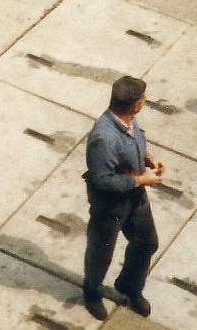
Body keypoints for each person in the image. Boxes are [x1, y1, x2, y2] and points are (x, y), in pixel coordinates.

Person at [82, 75, 164, 321]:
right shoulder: (103, 137)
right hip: (110, 205)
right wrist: (141, 180)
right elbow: (102, 180)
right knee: (101, 252)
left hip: (135, 198)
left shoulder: (129, 121)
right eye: (143, 98)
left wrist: (148, 159)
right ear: (135, 104)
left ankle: (129, 286)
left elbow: (131, 146)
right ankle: (92, 292)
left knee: (147, 242)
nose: (144, 101)